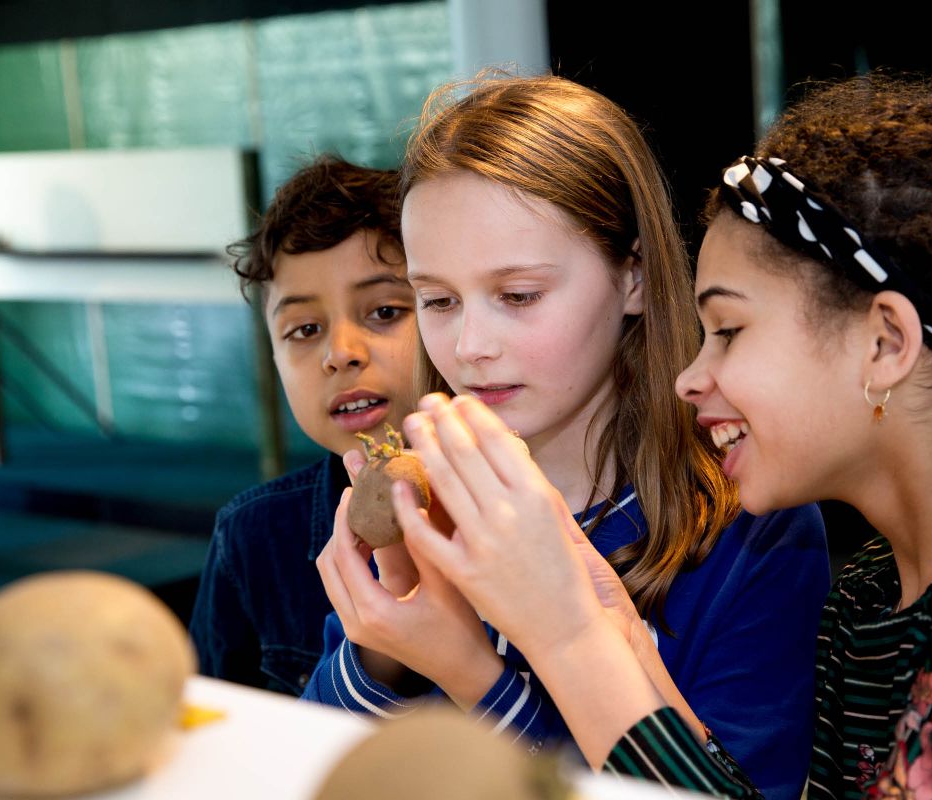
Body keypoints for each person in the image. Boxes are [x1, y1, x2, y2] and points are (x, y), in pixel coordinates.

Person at [390, 77, 932, 799]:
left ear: (885, 342)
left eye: (729, 331)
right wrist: (593, 612)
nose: (689, 379)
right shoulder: (867, 595)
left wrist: (567, 638)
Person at [301, 74, 830, 799]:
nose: (470, 345)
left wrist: (472, 674)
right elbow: (318, 770)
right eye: (436, 300)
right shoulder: (420, 496)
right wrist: (374, 653)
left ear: (634, 277)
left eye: (518, 296)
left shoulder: (755, 528)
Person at [189, 157, 420, 695]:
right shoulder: (250, 537)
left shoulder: (533, 511)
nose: (340, 354)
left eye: (384, 312)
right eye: (305, 329)